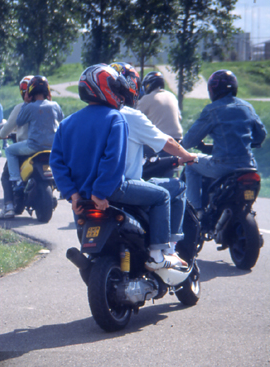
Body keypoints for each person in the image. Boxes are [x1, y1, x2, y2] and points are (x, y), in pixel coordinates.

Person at [49, 64, 184, 271]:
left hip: (81, 199)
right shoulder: (116, 118)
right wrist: (99, 193)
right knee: (163, 196)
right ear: (104, 88)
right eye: (117, 88)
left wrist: (73, 195)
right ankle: (158, 254)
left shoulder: (67, 123)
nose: (120, 95)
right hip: (112, 191)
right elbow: (113, 160)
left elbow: (56, 162)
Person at [111, 62, 197, 259]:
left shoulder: (94, 116)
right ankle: (165, 249)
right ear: (132, 86)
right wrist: (187, 156)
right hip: (128, 181)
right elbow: (166, 141)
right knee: (171, 190)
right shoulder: (132, 115)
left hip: (94, 188)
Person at [181, 69, 267, 214]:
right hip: (249, 166)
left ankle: (196, 212)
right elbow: (261, 136)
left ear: (213, 89)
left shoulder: (212, 110)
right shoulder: (247, 107)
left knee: (191, 163)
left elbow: (190, 140)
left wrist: (178, 146)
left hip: (223, 167)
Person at [7, 75, 63, 189]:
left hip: (34, 146)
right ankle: (61, 182)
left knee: (9, 151)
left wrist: (25, 103)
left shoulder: (30, 107)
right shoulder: (55, 105)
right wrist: (50, 101)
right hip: (52, 147)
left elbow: (20, 121)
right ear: (47, 90)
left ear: (30, 90)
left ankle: (16, 180)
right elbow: (61, 118)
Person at [0, 75, 33, 219]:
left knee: (6, 176)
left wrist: (2, 135)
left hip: (26, 148)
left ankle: (9, 206)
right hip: (47, 148)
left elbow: (8, 127)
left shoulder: (21, 108)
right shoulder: (48, 106)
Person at [137, 71, 183, 147]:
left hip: (161, 141)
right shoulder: (171, 96)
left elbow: (136, 119)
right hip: (178, 140)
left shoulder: (146, 99)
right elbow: (179, 118)